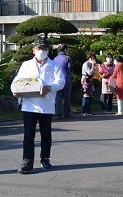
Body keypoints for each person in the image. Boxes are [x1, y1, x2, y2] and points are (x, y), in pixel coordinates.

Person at [11, 37, 65, 174]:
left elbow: (61, 82)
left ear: (48, 50)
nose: (41, 51)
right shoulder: (26, 65)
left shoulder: (54, 65)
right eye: (39, 48)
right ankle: (27, 161)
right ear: (33, 50)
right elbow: (16, 82)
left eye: (44, 48)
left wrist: (50, 87)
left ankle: (45, 158)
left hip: (46, 104)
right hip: (29, 104)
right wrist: (15, 91)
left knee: (46, 134)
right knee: (28, 134)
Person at [54, 43, 73, 119]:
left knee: (58, 98)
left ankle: (58, 113)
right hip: (66, 79)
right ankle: (66, 113)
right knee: (67, 97)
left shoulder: (55, 59)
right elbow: (70, 69)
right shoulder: (67, 58)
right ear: (65, 49)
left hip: (57, 80)